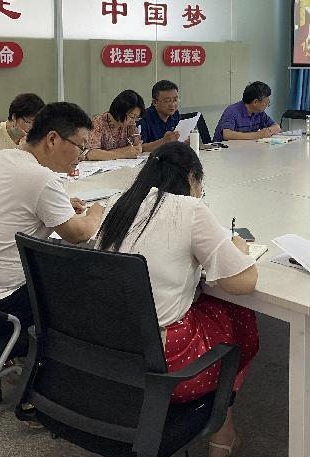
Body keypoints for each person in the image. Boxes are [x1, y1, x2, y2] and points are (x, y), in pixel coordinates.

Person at [95, 142, 258, 457]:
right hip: (164, 367)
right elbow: (243, 281)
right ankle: (222, 436)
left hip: (109, 354)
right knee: (236, 312)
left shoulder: (118, 204)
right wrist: (240, 251)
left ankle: (225, 434)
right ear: (192, 179)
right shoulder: (191, 210)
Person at [0, 102, 105, 333]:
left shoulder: (0, 159)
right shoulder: (42, 178)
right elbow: (79, 234)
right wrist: (97, 210)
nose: (81, 156)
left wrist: (59, 207)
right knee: (84, 279)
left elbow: (16, 202)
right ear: (52, 139)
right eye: (80, 146)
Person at [86, 89, 145, 160]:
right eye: (132, 117)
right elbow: (91, 153)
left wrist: (108, 153)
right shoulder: (98, 123)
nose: (133, 122)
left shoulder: (130, 125)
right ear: (120, 111)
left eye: (137, 118)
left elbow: (138, 148)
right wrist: (123, 153)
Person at [213, 81, 281, 142]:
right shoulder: (232, 111)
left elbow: (277, 127)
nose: (268, 105)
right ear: (255, 102)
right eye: (266, 102)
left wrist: (269, 131)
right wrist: (258, 135)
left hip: (243, 148)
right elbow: (227, 134)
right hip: (223, 149)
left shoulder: (259, 113)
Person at [139, 79, 183, 152]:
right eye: (167, 101)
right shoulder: (143, 118)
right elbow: (139, 148)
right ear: (155, 102)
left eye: (175, 100)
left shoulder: (175, 114)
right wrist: (164, 141)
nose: (172, 105)